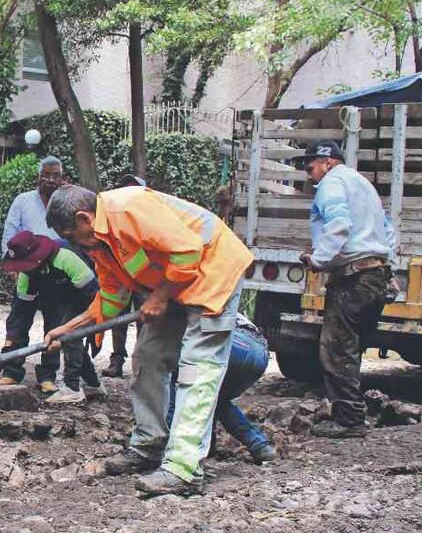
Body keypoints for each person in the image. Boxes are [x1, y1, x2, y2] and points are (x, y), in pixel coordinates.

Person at [44, 184, 253, 497]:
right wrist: (69, 328)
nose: (74, 244)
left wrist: (159, 296)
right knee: (147, 356)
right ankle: (148, 445)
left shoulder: (128, 207)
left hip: (212, 274)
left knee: (198, 369)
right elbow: (112, 299)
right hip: (175, 286)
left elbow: (188, 251)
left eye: (71, 234)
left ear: (84, 218)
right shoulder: (101, 244)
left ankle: (183, 469)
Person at [294, 140, 396, 438]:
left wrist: (318, 260)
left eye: (310, 165)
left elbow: (338, 223)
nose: (308, 173)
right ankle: (353, 412)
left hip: (353, 277)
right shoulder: (362, 184)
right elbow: (387, 230)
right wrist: (389, 269)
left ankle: (350, 420)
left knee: (337, 348)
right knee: (351, 347)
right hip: (375, 274)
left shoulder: (332, 183)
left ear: (328, 162)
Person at [1, 231, 106, 404]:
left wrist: (82, 325)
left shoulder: (66, 258)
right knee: (65, 336)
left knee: (69, 334)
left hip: (82, 295)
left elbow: (93, 295)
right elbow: (20, 313)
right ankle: (93, 384)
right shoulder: (26, 275)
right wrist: (10, 344)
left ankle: (72, 388)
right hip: (52, 293)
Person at [0, 155, 68, 392]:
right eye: (45, 174)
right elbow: (9, 233)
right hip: (26, 271)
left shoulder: (66, 203)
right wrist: (12, 267)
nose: (49, 179)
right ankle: (11, 370)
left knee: (55, 324)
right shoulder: (22, 201)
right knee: (18, 320)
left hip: (57, 273)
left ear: (62, 178)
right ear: (38, 177)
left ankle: (47, 376)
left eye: (54, 175)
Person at [167, 314, 276, 463]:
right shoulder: (215, 302)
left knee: (177, 382)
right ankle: (260, 446)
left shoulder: (179, 308)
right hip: (259, 354)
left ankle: (171, 447)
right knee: (216, 398)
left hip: (229, 344)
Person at [103, 174, 147, 379]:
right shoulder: (115, 216)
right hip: (121, 275)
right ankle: (117, 360)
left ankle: (141, 363)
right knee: (117, 319)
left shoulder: (148, 217)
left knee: (144, 319)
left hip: (144, 279)